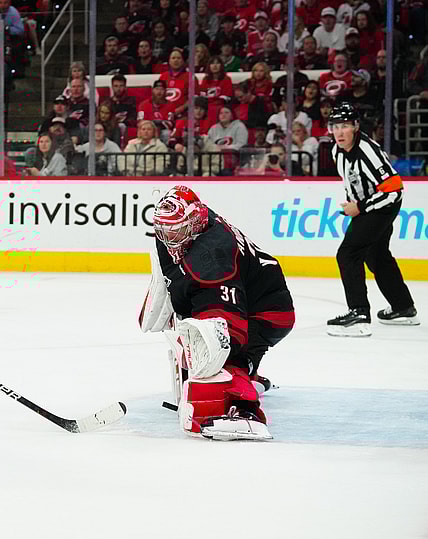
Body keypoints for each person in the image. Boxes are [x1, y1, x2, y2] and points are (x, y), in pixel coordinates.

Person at [139, 185, 294, 440]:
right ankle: (250, 374)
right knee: (198, 344)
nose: (171, 237)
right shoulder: (190, 224)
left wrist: (225, 362)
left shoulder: (213, 254)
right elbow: (182, 280)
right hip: (254, 292)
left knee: (225, 356)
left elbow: (228, 335)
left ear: (195, 222)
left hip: (270, 311)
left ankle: (246, 410)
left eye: (177, 230)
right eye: (165, 230)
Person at [326, 102, 419, 336]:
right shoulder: (337, 151)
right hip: (368, 207)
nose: (339, 131)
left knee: (348, 253)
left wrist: (360, 206)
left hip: (382, 207)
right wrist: (355, 204)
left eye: (345, 125)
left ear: (356, 126)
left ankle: (358, 314)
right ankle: (403, 307)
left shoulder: (368, 151)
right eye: (335, 126)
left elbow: (394, 190)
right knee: (376, 254)